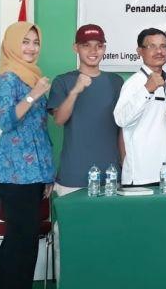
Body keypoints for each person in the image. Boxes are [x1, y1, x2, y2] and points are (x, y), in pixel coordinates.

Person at [0, 22, 55, 289]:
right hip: (14, 173)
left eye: (35, 42)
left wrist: (47, 174)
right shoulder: (6, 78)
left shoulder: (33, 76)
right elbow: (6, 121)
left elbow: (40, 130)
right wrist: (34, 94)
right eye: (25, 41)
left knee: (27, 242)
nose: (31, 48)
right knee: (18, 240)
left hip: (35, 175)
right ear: (13, 44)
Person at [48, 24, 124, 196]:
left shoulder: (116, 82)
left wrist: (124, 165)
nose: (93, 51)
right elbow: (59, 120)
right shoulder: (63, 81)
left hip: (110, 175)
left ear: (104, 48)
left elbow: (122, 128)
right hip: (73, 175)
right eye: (86, 45)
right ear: (76, 48)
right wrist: (75, 91)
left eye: (99, 45)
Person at [113, 28, 166, 185]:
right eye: (152, 46)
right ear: (140, 51)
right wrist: (147, 89)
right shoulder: (134, 83)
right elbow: (121, 119)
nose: (159, 51)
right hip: (142, 176)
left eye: (163, 46)